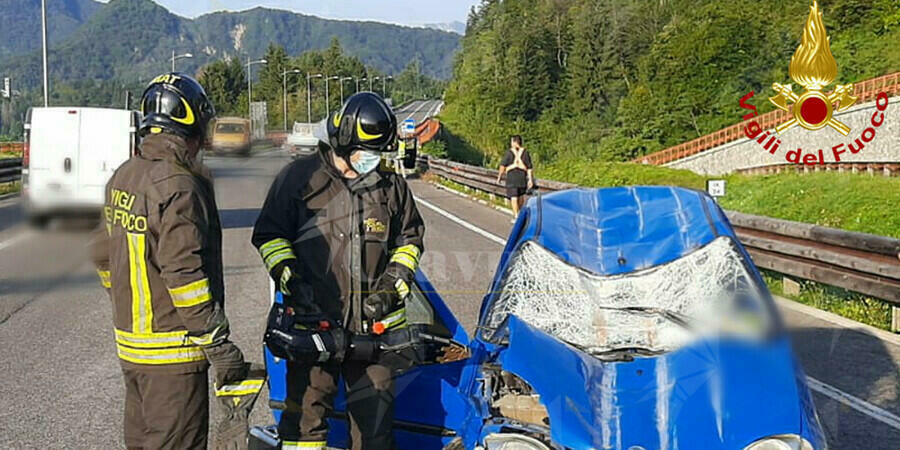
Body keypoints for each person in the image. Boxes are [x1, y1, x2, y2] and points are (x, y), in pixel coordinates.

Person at [90, 73, 262, 450]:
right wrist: (218, 345)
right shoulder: (179, 185)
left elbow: (102, 254)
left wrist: (129, 301)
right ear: (193, 125)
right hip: (173, 357)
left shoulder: (124, 175)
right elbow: (185, 276)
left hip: (132, 352)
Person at [252, 92, 425, 450]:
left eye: (377, 153)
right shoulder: (299, 179)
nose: (372, 161)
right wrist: (291, 277)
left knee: (375, 434)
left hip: (373, 337)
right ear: (344, 140)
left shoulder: (390, 185)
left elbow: (410, 240)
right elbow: (269, 235)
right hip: (313, 328)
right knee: (304, 428)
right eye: (367, 152)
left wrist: (393, 287)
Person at [496, 135, 535, 219]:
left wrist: (499, 176)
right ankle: (519, 213)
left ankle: (516, 215)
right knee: (521, 196)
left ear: (514, 142)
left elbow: (502, 166)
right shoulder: (525, 153)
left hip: (512, 178)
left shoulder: (509, 153)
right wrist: (530, 180)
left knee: (514, 197)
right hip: (522, 177)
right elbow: (529, 167)